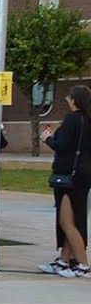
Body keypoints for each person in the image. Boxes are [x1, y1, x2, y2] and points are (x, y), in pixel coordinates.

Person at [43, 85, 91, 277]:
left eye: (68, 98)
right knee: (74, 219)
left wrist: (47, 139)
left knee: (67, 222)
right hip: (84, 174)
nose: (67, 101)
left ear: (74, 100)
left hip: (69, 175)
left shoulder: (72, 119)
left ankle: (83, 264)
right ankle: (64, 260)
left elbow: (61, 145)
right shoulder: (88, 120)